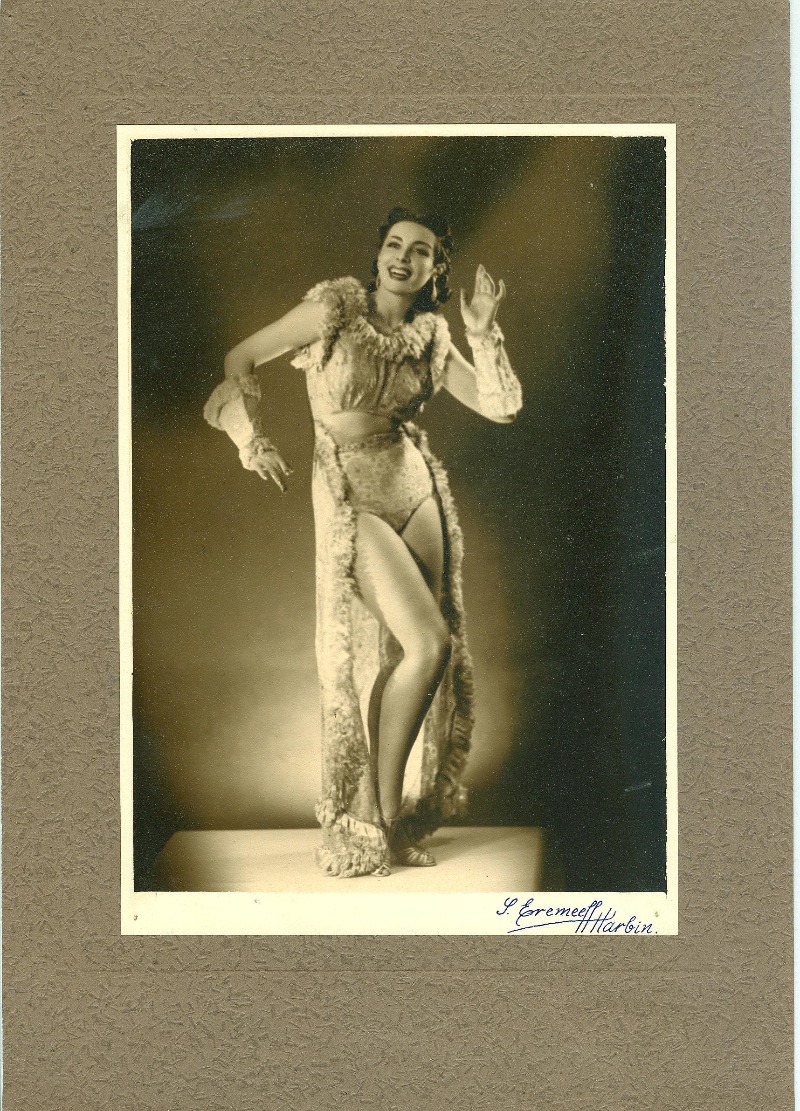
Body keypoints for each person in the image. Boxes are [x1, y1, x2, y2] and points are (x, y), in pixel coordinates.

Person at [203, 206, 522, 878]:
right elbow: (241, 357)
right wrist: (250, 438)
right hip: (349, 489)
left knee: (414, 655)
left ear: (437, 268)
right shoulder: (333, 311)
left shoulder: (432, 336)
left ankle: (385, 821)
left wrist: (481, 329)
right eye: (394, 245)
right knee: (428, 642)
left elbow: (500, 406)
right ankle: (369, 817)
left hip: (414, 487)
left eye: (421, 251)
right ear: (378, 254)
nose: (403, 258)